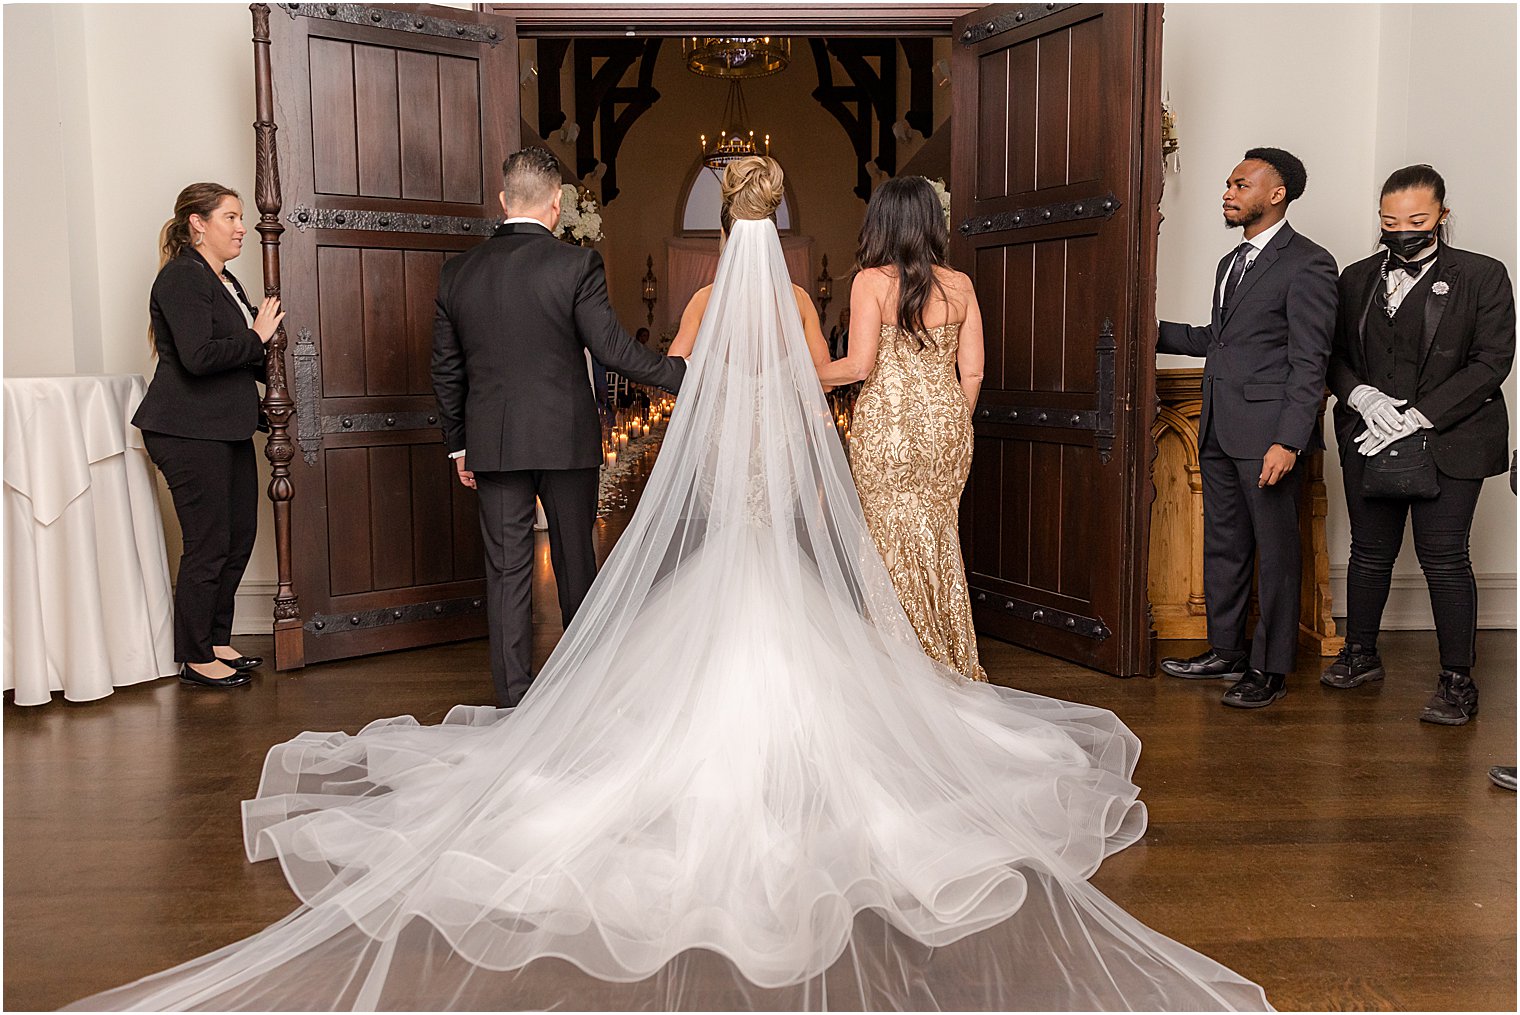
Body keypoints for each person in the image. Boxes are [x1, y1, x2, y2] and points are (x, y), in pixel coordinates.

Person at [70, 158, 1270, 1012]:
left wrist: (698, 400)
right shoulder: (806, 296)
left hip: (683, 449)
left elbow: (671, 368)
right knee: (800, 582)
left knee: (603, 582)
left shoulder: (698, 294)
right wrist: (790, 415)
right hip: (789, 450)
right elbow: (818, 381)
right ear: (783, 228)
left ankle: (540, 701)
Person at [431, 146, 686, 708]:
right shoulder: (576, 265)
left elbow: (445, 369)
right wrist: (686, 373)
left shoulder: (458, 272)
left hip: (493, 444)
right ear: (557, 203)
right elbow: (615, 350)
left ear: (503, 201)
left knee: (506, 572)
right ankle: (582, 694)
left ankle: (512, 703)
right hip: (565, 439)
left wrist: (459, 447)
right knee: (575, 562)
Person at [1322, 164, 1514, 726]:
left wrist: (1420, 416)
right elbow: (1332, 355)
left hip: (1454, 438)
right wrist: (1363, 398)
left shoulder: (1483, 275)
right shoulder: (1355, 278)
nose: (1401, 228)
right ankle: (1360, 654)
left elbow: (1492, 362)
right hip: (1368, 435)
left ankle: (1457, 681)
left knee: (1444, 557)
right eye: (1389, 220)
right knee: (1369, 552)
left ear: (1442, 217)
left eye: (1416, 219)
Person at [1156, 148, 1339, 709]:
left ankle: (1270, 670)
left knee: (1277, 552)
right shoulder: (1231, 263)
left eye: (1240, 184)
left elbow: (1312, 362)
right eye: (1228, 183)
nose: (1228, 192)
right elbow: (1222, 340)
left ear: (1276, 193)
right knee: (1226, 544)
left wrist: (1288, 440)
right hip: (1216, 426)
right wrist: (1150, 325)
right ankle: (1226, 649)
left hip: (1268, 435)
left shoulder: (1309, 263)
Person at [818, 176, 987, 682]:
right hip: (946, 427)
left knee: (889, 541)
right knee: (939, 536)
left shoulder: (871, 281)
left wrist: (796, 376)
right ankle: (950, 660)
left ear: (882, 223)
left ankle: (902, 671)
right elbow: (973, 370)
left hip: (888, 428)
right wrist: (952, 417)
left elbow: (858, 366)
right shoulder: (960, 285)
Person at [132, 182, 284, 689]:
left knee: (239, 537)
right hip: (185, 431)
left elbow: (241, 353)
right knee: (208, 542)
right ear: (198, 224)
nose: (243, 227)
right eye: (231, 218)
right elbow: (199, 358)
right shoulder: (182, 278)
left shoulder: (225, 281)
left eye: (241, 218)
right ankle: (195, 656)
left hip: (225, 428)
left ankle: (217, 639)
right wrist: (255, 338)